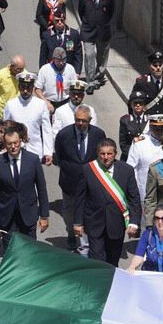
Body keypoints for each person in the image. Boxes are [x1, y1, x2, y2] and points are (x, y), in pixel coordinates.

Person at [74, 138, 141, 266]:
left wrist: (134, 222)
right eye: (102, 154)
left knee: (113, 261)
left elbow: (134, 198)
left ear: (115, 154)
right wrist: (78, 222)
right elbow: (80, 198)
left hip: (116, 224)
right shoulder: (88, 169)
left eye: (109, 153)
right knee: (97, 262)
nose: (105, 157)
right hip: (94, 223)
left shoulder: (126, 170)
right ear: (98, 154)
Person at [53, 105, 106, 253]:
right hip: (69, 181)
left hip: (91, 181)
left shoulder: (98, 134)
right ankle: (71, 234)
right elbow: (59, 156)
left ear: (90, 120)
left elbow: (102, 155)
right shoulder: (64, 135)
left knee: (89, 211)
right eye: (78, 120)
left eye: (84, 121)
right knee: (69, 211)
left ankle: (87, 241)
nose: (80, 123)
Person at [0, 126, 49, 244]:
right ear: (5, 144)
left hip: (28, 215)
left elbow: (41, 189)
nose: (13, 146)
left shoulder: (33, 160)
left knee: (29, 249)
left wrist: (44, 215)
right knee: (10, 249)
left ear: (20, 141)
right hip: (7, 216)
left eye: (15, 143)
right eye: (9, 144)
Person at [2, 72, 54, 164]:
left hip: (35, 150)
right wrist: (5, 147)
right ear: (19, 87)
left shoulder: (41, 104)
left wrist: (48, 152)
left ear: (33, 88)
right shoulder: (11, 105)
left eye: (28, 88)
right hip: (15, 150)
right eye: (23, 87)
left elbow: (47, 129)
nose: (25, 91)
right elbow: (5, 129)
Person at [126, 113, 163, 213]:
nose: (159, 131)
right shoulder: (140, 144)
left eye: (162, 128)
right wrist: (135, 190)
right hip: (146, 192)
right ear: (150, 126)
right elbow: (130, 168)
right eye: (156, 128)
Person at [78, 0, 114, 92]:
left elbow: (111, 12)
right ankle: (90, 81)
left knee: (102, 56)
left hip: (103, 31)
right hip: (88, 31)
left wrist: (103, 22)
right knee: (89, 55)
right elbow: (81, 11)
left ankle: (99, 77)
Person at [133, 51, 163, 118]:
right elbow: (133, 102)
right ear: (149, 66)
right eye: (155, 65)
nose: (158, 68)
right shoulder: (142, 82)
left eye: (160, 65)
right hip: (148, 121)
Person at [34, 47, 77, 114]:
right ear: (53, 59)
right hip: (49, 102)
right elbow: (37, 89)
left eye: (63, 60)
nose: (61, 63)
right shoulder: (45, 69)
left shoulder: (70, 69)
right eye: (58, 61)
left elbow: (75, 88)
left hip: (66, 102)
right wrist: (46, 102)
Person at [39, 7, 82, 72]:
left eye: (62, 20)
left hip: (68, 70)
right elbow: (43, 56)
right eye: (57, 20)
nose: (59, 23)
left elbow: (78, 54)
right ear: (53, 20)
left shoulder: (73, 34)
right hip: (52, 70)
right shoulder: (47, 35)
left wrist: (77, 72)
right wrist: (42, 71)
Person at [0, 55, 25, 120]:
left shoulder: (24, 73)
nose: (21, 71)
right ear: (12, 66)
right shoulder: (0, 75)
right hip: (5, 112)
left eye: (22, 69)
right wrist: (0, 95)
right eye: (18, 69)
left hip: (19, 110)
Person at [118, 91, 149, 161]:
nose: (138, 105)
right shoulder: (125, 120)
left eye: (140, 103)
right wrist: (133, 155)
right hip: (129, 157)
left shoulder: (149, 120)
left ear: (144, 104)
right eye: (135, 103)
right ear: (131, 104)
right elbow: (123, 143)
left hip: (146, 156)